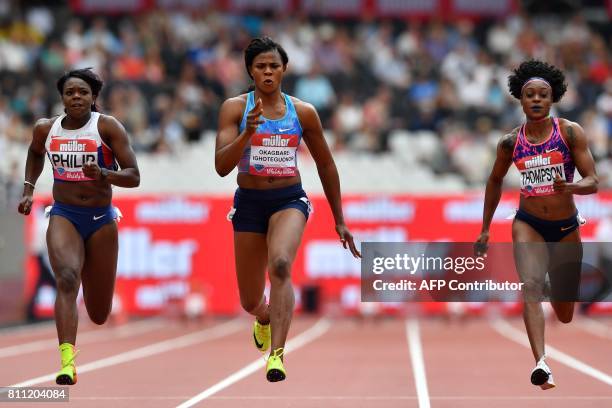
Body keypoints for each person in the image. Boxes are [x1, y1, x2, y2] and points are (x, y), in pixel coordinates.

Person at [215, 37, 361, 382]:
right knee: (249, 300)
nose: (268, 72)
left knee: (280, 264)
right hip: (249, 203)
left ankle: (276, 355)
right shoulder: (235, 109)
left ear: (284, 70)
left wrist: (340, 220)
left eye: (274, 66)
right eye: (261, 66)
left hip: (288, 200)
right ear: (250, 71)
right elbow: (222, 166)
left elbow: (326, 165)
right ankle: (263, 316)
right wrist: (245, 134)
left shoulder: (303, 112)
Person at [476, 60, 599, 390]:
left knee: (565, 312)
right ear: (520, 98)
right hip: (527, 222)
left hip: (565, 226)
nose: (536, 100)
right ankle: (541, 363)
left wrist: (570, 187)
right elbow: (494, 181)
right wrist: (486, 228)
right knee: (529, 284)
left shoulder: (570, 132)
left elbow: (593, 181)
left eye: (542, 95)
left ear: (552, 98)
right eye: (529, 94)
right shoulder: (509, 142)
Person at [18, 68, 140, 385]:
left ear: (93, 97)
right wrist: (29, 189)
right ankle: (67, 362)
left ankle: (86, 325)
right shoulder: (47, 129)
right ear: (62, 97)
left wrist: (103, 173)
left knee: (99, 313)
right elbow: (34, 153)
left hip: (101, 218)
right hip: (64, 214)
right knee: (67, 279)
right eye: (70, 92)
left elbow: (133, 175)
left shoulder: (108, 127)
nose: (76, 97)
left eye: (83, 92)